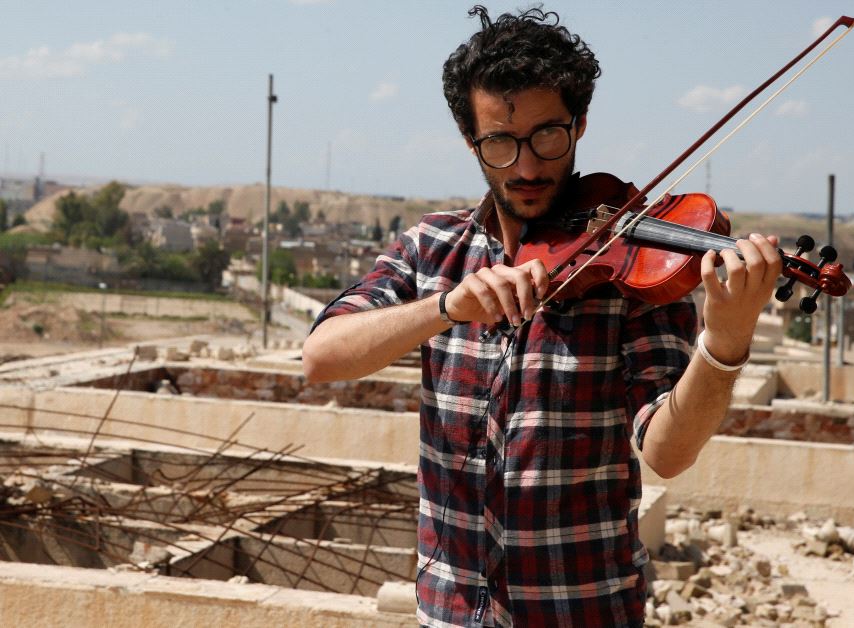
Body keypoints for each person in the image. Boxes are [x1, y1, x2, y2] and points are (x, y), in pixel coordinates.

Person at [302, 6, 781, 627]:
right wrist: (449, 307)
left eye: (547, 136)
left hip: (581, 612)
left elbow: (667, 449)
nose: (526, 167)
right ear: (469, 139)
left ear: (580, 123)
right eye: (500, 143)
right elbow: (321, 356)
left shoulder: (632, 273)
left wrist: (726, 339)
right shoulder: (432, 249)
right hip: (451, 609)